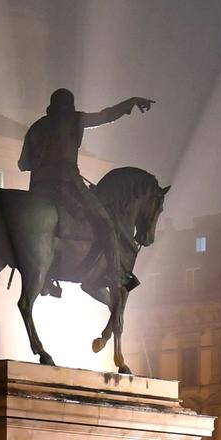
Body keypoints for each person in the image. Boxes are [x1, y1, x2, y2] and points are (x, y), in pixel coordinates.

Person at [19, 89, 154, 292]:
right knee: (106, 222)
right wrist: (131, 102)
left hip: (38, 189)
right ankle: (116, 272)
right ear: (70, 106)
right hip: (67, 184)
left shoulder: (35, 128)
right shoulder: (74, 119)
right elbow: (105, 115)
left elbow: (23, 164)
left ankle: (46, 277)